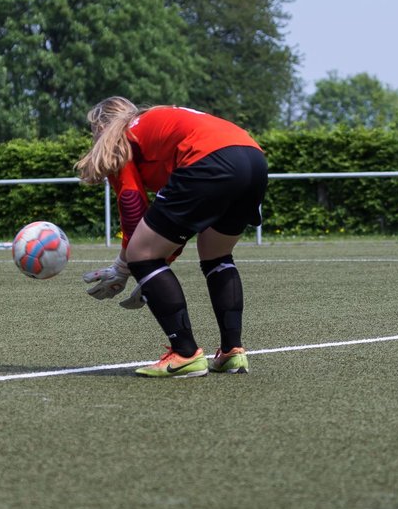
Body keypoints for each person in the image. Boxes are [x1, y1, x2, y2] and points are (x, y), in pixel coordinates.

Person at [75, 97, 268, 378]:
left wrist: (128, 267)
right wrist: (155, 269)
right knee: (216, 255)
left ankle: (185, 354)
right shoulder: (155, 123)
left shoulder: (119, 137)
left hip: (211, 159)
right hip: (252, 157)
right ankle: (231, 353)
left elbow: (132, 207)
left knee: (142, 255)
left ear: (102, 125)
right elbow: (170, 228)